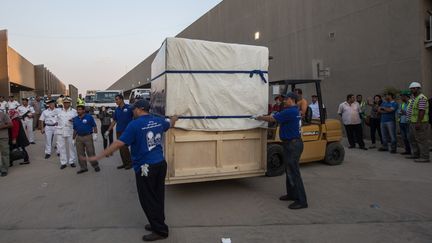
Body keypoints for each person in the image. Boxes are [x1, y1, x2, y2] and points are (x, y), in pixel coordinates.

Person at [85, 99, 178, 241]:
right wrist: (175, 117)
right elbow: (170, 123)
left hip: (145, 167)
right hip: (159, 164)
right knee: (157, 196)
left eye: (134, 109)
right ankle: (157, 223)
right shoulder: (158, 121)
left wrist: (98, 156)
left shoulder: (134, 125)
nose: (132, 111)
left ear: (140, 109)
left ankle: (160, 231)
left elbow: (118, 143)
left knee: (148, 199)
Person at [257, 92, 308, 210]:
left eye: (286, 99)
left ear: (292, 100)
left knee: (294, 172)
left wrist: (258, 117)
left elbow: (272, 118)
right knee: (289, 170)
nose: (284, 101)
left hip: (293, 144)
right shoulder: (294, 111)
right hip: (291, 143)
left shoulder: (290, 111)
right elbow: (275, 115)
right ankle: (291, 194)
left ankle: (302, 201)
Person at [107, 94, 133, 170]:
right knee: (121, 148)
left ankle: (129, 163)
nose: (116, 101)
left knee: (124, 147)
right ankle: (125, 163)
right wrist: (108, 130)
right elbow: (114, 120)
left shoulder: (129, 107)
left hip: (127, 131)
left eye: (117, 99)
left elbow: (135, 117)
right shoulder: (117, 110)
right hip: (119, 131)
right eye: (115, 100)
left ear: (121, 99)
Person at [406, 82, 430, 162]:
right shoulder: (414, 98)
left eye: (413, 88)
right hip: (412, 122)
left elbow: (421, 111)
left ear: (418, 88)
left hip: (420, 122)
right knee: (412, 139)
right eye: (411, 89)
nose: (412, 90)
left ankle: (425, 157)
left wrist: (418, 122)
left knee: (421, 139)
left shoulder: (421, 98)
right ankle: (416, 154)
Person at [73, 105, 100, 174]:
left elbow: (94, 126)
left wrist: (95, 134)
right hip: (79, 137)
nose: (78, 111)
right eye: (77, 110)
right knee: (80, 154)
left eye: (80, 110)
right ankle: (83, 167)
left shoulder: (89, 117)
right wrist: (73, 139)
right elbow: (75, 129)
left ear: (83, 110)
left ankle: (95, 165)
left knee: (91, 152)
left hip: (88, 136)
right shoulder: (75, 119)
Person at [56, 97, 77, 169]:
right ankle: (63, 162)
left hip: (70, 130)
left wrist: (73, 121)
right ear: (63, 103)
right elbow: (54, 119)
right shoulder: (58, 111)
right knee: (61, 147)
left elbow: (77, 120)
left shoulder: (74, 111)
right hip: (60, 131)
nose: (66, 104)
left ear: (70, 103)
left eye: (67, 103)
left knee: (71, 146)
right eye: (64, 103)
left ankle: (72, 161)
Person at [398, 91, 411, 155]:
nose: (401, 97)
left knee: (409, 138)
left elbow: (412, 113)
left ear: (406, 96)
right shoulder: (402, 104)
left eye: (402, 96)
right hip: (402, 122)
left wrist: (404, 112)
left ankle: (412, 151)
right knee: (404, 138)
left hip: (408, 123)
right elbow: (399, 112)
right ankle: (407, 150)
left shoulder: (411, 103)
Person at [0, 111, 13, 176]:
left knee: (4, 153)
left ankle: (4, 169)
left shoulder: (3, 114)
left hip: (2, 137)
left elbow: (11, 124)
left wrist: (1, 127)